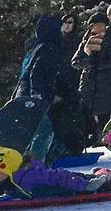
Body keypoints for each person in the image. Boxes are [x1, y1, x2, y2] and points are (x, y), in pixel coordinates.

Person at [0, 144, 111, 203]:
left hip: (77, 186)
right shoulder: (13, 179)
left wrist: (86, 186)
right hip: (75, 182)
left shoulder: (30, 176)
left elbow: (60, 178)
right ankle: (99, 174)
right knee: (103, 177)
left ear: (11, 169)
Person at [17, 15, 86, 159]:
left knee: (37, 131)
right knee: (43, 132)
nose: (62, 32)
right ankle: (34, 165)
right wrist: (37, 95)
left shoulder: (41, 47)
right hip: (33, 99)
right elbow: (36, 74)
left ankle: (33, 159)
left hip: (30, 96)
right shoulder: (49, 48)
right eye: (59, 28)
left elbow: (54, 75)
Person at [73, 11, 111, 138]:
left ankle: (105, 137)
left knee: (103, 113)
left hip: (105, 82)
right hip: (88, 82)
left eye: (101, 25)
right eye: (95, 25)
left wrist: (98, 64)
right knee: (85, 112)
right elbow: (75, 61)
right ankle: (90, 137)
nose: (98, 28)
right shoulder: (86, 42)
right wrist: (88, 61)